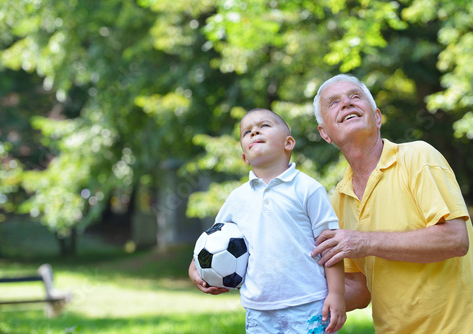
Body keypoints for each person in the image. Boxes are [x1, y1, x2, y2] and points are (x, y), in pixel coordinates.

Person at [310, 74, 473, 333]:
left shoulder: (418, 156)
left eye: (355, 97)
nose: (347, 104)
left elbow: (455, 239)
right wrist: (279, 291)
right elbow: (359, 288)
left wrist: (364, 242)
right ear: (325, 133)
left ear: (377, 117)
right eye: (334, 103)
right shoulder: (338, 199)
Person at [188, 108, 346, 333]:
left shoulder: (309, 189)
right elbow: (214, 239)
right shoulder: (237, 198)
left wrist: (336, 294)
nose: (254, 132)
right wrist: (195, 268)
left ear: (288, 143)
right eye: (247, 132)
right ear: (244, 157)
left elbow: (331, 245)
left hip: (309, 304)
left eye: (264, 126)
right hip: (258, 309)